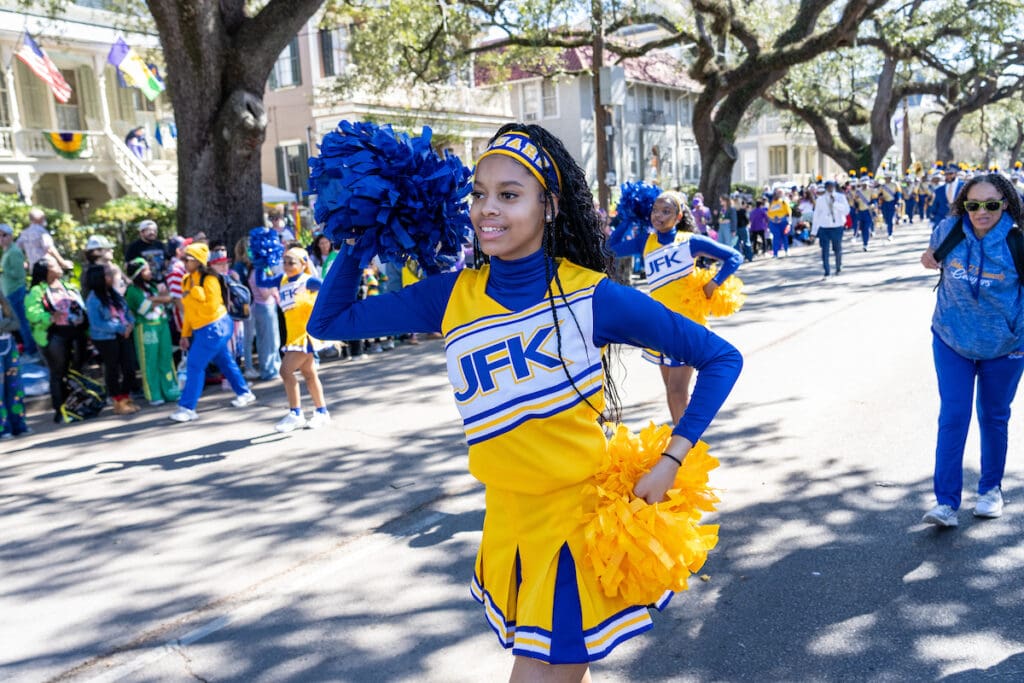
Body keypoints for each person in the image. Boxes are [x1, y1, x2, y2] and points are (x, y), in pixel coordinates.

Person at [310, 123, 742, 679]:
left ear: (549, 206)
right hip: (508, 521)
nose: (487, 209)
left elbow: (720, 357)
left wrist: (672, 459)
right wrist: (362, 229)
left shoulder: (593, 296)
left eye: (509, 195)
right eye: (479, 194)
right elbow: (330, 322)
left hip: (575, 527)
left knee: (540, 671)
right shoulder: (452, 295)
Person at [918, 173, 1024, 527]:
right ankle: (946, 503)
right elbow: (932, 258)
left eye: (991, 204)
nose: (982, 211)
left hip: (1005, 346)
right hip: (952, 340)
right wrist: (928, 258)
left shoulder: (1017, 241)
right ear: (964, 204)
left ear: (1005, 204)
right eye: (973, 204)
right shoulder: (948, 230)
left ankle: (990, 490)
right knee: (953, 416)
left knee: (993, 417)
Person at [610, 190, 742, 423]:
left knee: (676, 390)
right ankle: (685, 437)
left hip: (685, 324)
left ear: (679, 216)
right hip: (660, 324)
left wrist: (714, 283)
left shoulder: (690, 241)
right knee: (673, 391)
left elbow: (734, 257)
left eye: (666, 211)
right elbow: (610, 248)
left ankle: (685, 440)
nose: (658, 216)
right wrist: (629, 219)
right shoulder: (645, 242)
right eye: (655, 210)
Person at [168, 242, 255, 423]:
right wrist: (185, 334)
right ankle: (244, 392)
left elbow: (212, 307)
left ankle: (187, 408)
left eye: (188, 259)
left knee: (194, 365)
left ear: (198, 261)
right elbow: (189, 311)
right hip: (203, 330)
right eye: (184, 259)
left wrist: (195, 292)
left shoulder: (210, 279)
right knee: (225, 361)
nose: (184, 262)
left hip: (216, 326)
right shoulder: (186, 280)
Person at [268, 247, 330, 432]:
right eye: (285, 262)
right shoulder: (283, 280)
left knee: (285, 371)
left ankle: (295, 414)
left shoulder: (308, 281)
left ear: (303, 264)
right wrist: (261, 262)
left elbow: (328, 287)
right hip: (293, 336)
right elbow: (262, 282)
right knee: (309, 374)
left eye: (291, 262)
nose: (286, 266)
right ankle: (322, 412)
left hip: (305, 336)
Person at [25, 256, 88, 423]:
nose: (59, 266)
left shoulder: (68, 286)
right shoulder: (37, 291)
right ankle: (61, 411)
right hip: (54, 336)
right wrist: (50, 317)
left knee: (76, 371)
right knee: (58, 373)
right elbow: (32, 313)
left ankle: (78, 406)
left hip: (76, 333)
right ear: (46, 271)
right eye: (54, 265)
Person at [125, 257, 181, 406]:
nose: (150, 272)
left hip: (162, 324)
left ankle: (171, 390)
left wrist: (156, 299)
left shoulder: (152, 286)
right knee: (150, 361)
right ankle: (154, 394)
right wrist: (161, 298)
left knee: (166, 358)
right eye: (146, 270)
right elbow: (144, 308)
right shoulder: (132, 291)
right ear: (138, 273)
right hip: (146, 327)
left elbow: (165, 300)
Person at [84, 264, 139, 415]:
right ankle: (118, 401)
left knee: (130, 367)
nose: (110, 276)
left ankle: (126, 397)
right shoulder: (93, 299)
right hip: (106, 338)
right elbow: (97, 323)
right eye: (107, 274)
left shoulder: (114, 293)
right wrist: (121, 328)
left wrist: (130, 324)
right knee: (112, 369)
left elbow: (127, 311)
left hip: (123, 334)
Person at [1, 223, 37, 360]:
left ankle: (31, 351)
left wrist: (3, 271)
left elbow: (19, 275)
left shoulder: (14, 252)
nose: (1, 238)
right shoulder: (7, 251)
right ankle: (28, 349)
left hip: (15, 291)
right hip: (9, 293)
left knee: (21, 322)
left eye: (4, 235)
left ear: (11, 236)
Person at [0, 291, 29, 438]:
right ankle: (3, 428)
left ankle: (19, 424)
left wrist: (3, 325)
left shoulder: (2, 299)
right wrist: (7, 323)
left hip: (9, 346)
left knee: (15, 387)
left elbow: (16, 323)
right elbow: (10, 322)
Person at [811, 180, 851, 279]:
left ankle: (838, 266)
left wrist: (835, 203)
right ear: (825, 188)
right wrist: (813, 232)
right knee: (825, 250)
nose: (830, 188)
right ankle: (827, 271)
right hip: (824, 228)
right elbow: (816, 216)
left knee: (837, 248)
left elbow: (846, 211)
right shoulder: (820, 200)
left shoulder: (840, 197)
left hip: (837, 227)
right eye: (828, 187)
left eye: (832, 186)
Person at [17, 208, 73, 273]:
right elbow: (49, 248)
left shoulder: (25, 233)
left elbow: (17, 248)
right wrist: (62, 262)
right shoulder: (41, 231)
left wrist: (22, 261)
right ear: (40, 218)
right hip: (46, 266)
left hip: (33, 268)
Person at [767, 189, 791, 257]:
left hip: (783, 221)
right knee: (776, 237)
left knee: (784, 236)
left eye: (780, 193)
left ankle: (786, 251)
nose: (777, 194)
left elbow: (788, 212)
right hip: (774, 222)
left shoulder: (783, 202)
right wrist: (772, 219)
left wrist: (788, 222)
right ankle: (775, 253)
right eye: (777, 193)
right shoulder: (772, 203)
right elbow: (769, 213)